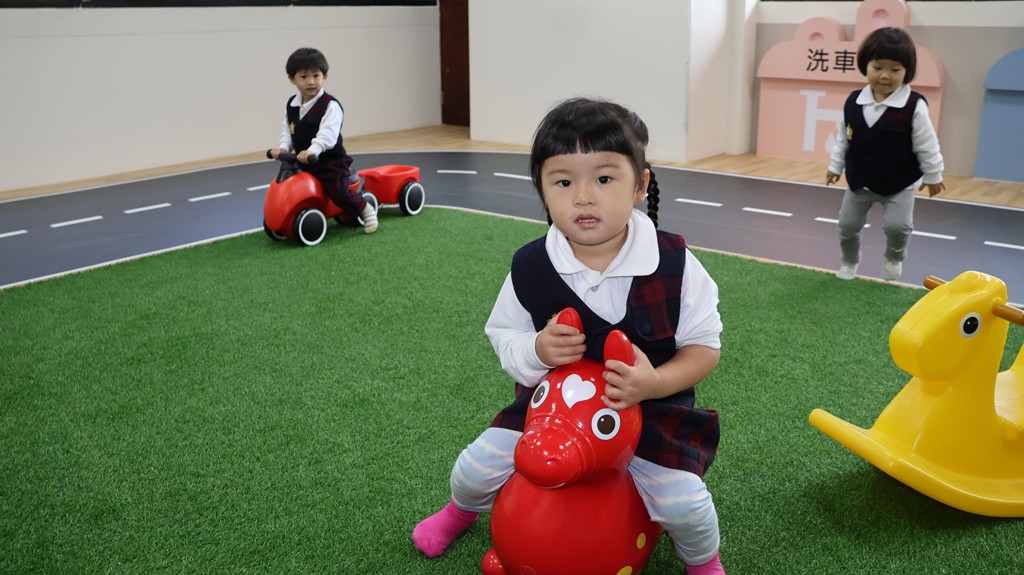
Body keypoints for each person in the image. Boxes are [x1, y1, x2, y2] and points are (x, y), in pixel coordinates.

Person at [412, 97, 727, 575]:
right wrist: (537, 349)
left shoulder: (675, 264)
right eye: (563, 182)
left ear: (640, 184)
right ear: (542, 191)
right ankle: (460, 511)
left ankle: (703, 562)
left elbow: (705, 348)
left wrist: (655, 384)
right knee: (475, 467)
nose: (583, 197)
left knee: (685, 504)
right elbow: (504, 336)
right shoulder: (531, 265)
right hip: (550, 414)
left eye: (604, 179)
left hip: (649, 412)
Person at [825, 27, 944, 281]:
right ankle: (849, 262)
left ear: (907, 71)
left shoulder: (914, 105)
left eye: (895, 69)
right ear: (865, 66)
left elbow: (927, 144)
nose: (885, 75)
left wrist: (934, 175)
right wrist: (835, 166)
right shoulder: (854, 101)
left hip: (899, 184)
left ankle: (894, 257)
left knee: (897, 228)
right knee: (847, 226)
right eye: (877, 67)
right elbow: (843, 138)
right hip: (859, 181)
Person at [270, 47, 377, 233]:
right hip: (303, 161)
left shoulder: (330, 105)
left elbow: (327, 135)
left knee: (339, 191)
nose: (311, 81)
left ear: (324, 76)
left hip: (329, 162)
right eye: (303, 77)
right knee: (291, 184)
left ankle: (366, 210)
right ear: (292, 79)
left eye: (316, 76)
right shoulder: (292, 105)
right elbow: (287, 129)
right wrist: (282, 148)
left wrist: (313, 151)